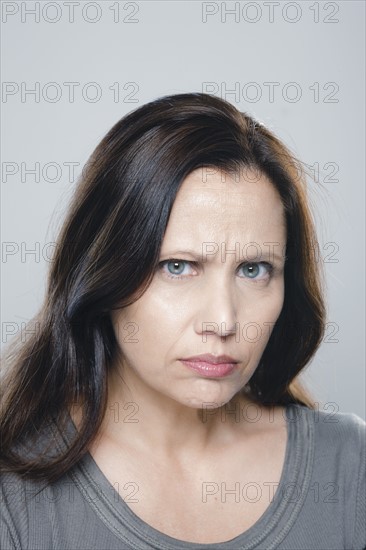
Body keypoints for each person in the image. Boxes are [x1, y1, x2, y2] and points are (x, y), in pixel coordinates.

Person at [1, 92, 365, 550]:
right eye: (178, 266)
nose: (223, 320)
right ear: (103, 272)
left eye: (254, 270)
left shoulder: (350, 468)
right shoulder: (14, 496)